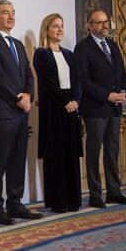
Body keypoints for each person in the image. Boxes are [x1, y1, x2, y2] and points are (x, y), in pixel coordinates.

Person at [0, 0, 43, 225]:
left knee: (17, 161)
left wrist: (28, 96)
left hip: (20, 113)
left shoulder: (17, 44)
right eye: (5, 13)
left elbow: (28, 74)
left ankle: (15, 203)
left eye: (13, 13)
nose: (11, 17)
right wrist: (18, 98)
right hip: (3, 112)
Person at [74, 9, 126, 208]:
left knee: (112, 151)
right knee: (94, 152)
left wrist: (123, 92)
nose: (105, 25)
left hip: (114, 108)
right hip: (95, 108)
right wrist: (106, 95)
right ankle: (95, 194)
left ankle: (114, 191)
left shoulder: (112, 45)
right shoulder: (82, 48)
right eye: (100, 22)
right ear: (90, 25)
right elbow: (83, 80)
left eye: (106, 22)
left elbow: (122, 73)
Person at [33, 13, 83, 213]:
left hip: (71, 109)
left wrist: (76, 101)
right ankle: (58, 201)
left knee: (70, 155)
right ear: (47, 29)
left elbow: (78, 81)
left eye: (61, 26)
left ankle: (73, 200)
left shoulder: (70, 54)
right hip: (54, 111)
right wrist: (65, 102)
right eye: (55, 26)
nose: (60, 29)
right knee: (56, 156)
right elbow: (47, 84)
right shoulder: (41, 54)